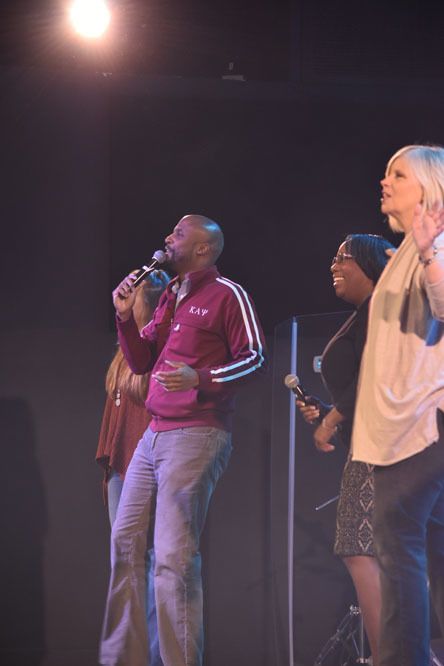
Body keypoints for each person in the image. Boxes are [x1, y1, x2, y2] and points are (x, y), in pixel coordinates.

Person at [99, 214, 266, 666]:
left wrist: (201, 377)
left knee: (173, 556)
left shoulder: (227, 294)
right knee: (125, 542)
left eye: (177, 234)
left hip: (196, 432)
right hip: (154, 434)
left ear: (202, 249)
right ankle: (123, 659)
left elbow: (255, 358)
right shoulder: (172, 294)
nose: (167, 239)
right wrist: (124, 317)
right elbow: (141, 361)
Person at [351, 145, 444, 666]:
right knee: (433, 546)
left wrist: (428, 253)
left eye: (399, 174)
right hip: (407, 426)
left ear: (429, 187)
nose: (385, 182)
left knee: (397, 543)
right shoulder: (408, 249)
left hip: (421, 424)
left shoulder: (436, 242)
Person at [297, 233, 393, 666]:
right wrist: (328, 411)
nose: (333, 265)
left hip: (381, 447)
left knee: (360, 548)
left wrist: (332, 419)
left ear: (371, 264)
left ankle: (390, 656)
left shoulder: (379, 309)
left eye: (344, 257)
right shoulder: (363, 314)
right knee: (370, 552)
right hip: (368, 442)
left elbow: (381, 374)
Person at [96, 269, 170, 525]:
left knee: (145, 542)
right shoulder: (124, 350)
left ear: (148, 304)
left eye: (134, 296)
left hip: (146, 463)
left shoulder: (158, 350)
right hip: (119, 464)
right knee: (121, 542)